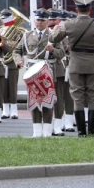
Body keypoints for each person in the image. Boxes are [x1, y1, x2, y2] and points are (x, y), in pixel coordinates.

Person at [46, 0, 94, 136]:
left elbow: (52, 38)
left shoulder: (69, 24)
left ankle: (81, 132)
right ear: (90, 10)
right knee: (93, 97)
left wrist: (56, 29)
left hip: (75, 66)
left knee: (77, 96)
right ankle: (92, 132)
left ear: (76, 9)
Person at [17, 9, 56, 138]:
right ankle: (37, 131)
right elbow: (17, 51)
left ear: (47, 21)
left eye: (42, 20)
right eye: (38, 20)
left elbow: (62, 53)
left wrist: (53, 50)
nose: (39, 23)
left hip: (46, 72)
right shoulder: (27, 35)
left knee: (47, 101)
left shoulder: (53, 35)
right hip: (32, 72)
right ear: (35, 20)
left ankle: (47, 132)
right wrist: (19, 61)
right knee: (34, 101)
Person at [0, 9, 21, 119]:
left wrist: (10, 43)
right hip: (3, 62)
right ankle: (5, 110)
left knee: (12, 87)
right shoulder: (0, 31)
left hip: (12, 62)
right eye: (3, 18)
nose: (4, 21)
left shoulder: (19, 30)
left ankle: (14, 110)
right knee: (4, 87)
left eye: (6, 18)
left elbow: (20, 45)